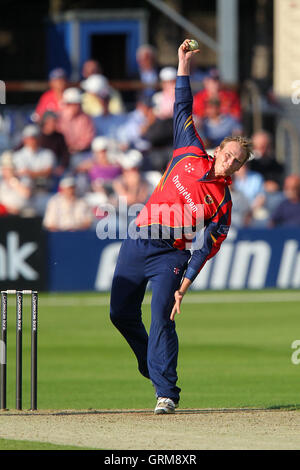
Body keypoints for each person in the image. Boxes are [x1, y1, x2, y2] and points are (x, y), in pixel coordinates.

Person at [109, 40, 253, 415]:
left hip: (171, 254)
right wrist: (182, 65)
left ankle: (166, 393)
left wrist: (185, 284)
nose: (230, 163)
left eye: (237, 163)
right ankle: (150, 363)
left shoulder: (222, 202)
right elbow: (182, 106)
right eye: (229, 155)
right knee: (120, 314)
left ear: (238, 168)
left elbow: (208, 247)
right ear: (218, 150)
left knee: (161, 317)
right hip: (139, 239)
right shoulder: (188, 148)